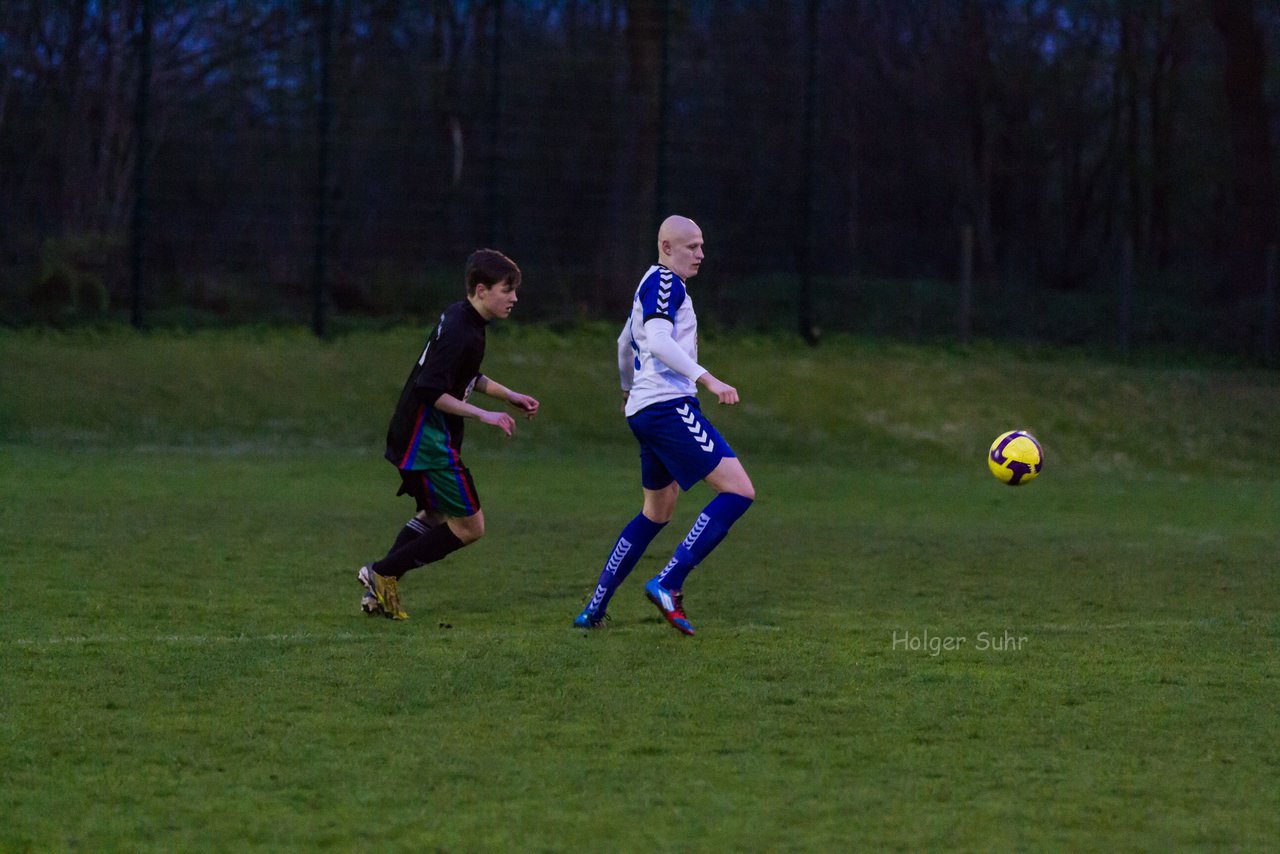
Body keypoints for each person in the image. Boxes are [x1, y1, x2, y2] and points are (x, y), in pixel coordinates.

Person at [574, 215, 755, 635]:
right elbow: (655, 340)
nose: (701, 254)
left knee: (656, 512)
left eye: (702, 245)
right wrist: (707, 378)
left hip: (644, 410)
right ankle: (668, 582)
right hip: (668, 406)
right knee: (739, 491)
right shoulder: (666, 283)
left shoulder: (648, 284)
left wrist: (626, 391)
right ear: (666, 247)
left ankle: (595, 607)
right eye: (692, 246)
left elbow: (625, 344)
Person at [358, 248, 539, 620]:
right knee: (471, 526)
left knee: (434, 514)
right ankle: (382, 572)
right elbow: (430, 389)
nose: (514, 298)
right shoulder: (461, 330)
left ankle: (378, 588)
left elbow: (465, 376)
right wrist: (484, 415)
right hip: (426, 442)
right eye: (507, 289)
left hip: (416, 435)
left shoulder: (465, 318)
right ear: (481, 289)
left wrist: (509, 396)